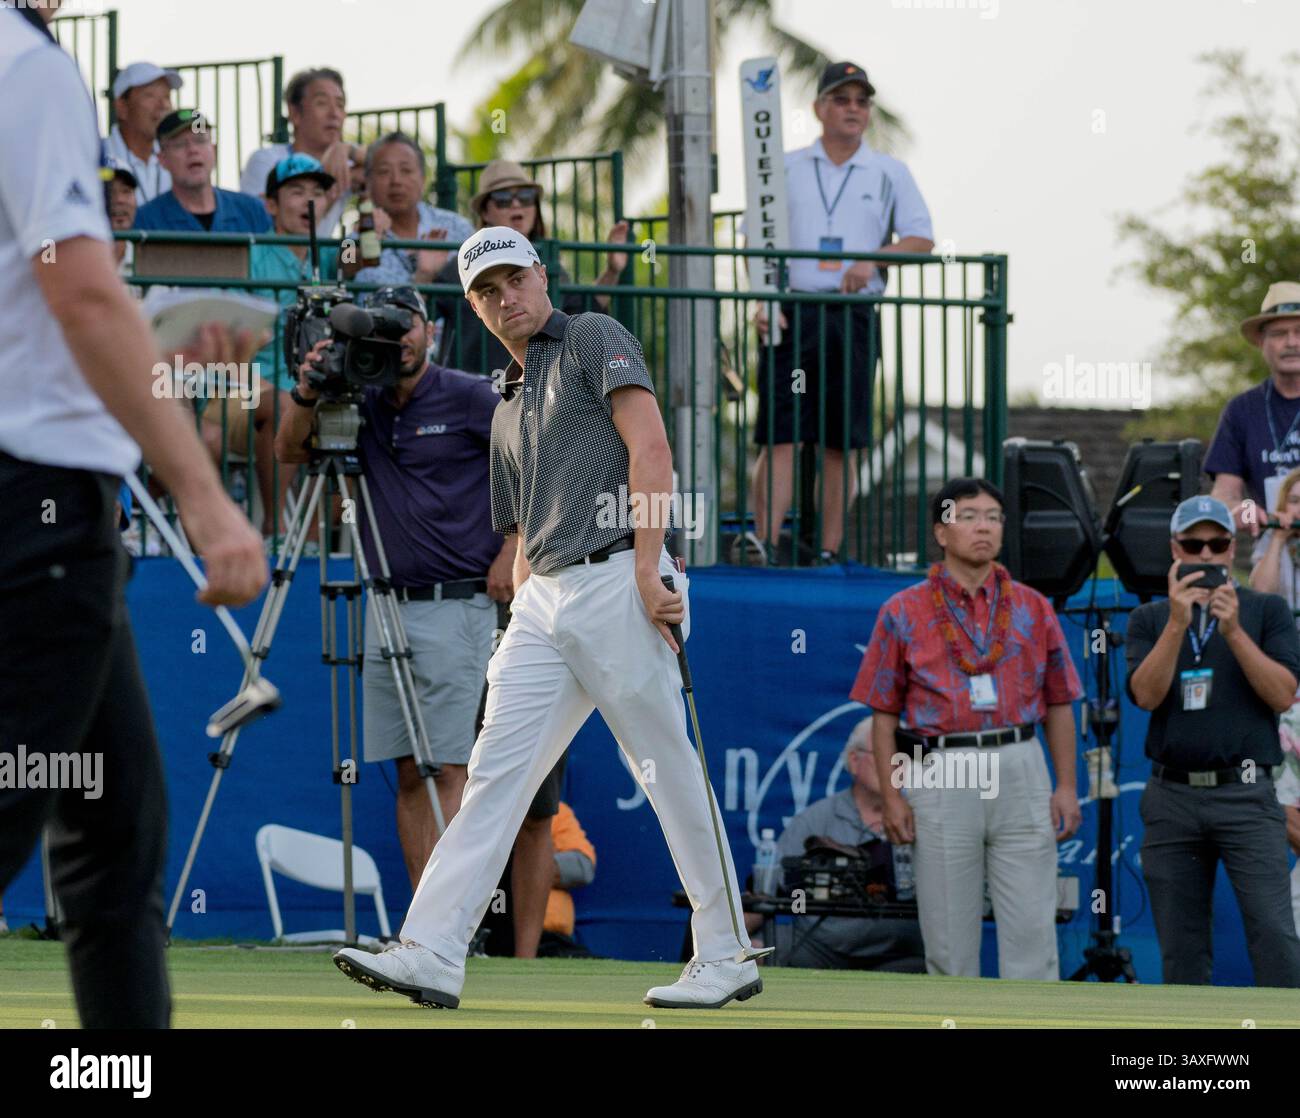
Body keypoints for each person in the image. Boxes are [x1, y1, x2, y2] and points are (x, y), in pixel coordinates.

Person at [333, 226, 762, 1010]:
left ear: (540, 274)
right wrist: (524, 609)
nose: (506, 299)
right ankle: (431, 949)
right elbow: (522, 530)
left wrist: (647, 561)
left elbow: (652, 448)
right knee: (494, 776)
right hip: (545, 601)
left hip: (618, 577)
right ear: (474, 305)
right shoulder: (503, 403)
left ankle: (727, 951)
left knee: (666, 770)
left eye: (514, 280)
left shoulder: (595, 335)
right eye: (487, 292)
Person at [0, 0, 266, 1029]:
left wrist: (155, 361)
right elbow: (79, 294)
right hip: (39, 505)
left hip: (43, 492)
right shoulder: (27, 68)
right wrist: (207, 498)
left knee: (114, 838)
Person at [275, 285, 516, 894]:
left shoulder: (467, 392)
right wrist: (309, 388)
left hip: (457, 603)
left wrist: (514, 548)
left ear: (430, 331)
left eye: (406, 324)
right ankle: (419, 925)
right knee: (411, 772)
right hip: (385, 607)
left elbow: (535, 452)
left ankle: (452, 920)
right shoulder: (363, 400)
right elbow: (288, 448)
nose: (398, 338)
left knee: (449, 768)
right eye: (383, 328)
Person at [852, 477, 1082, 979]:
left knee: (1033, 931)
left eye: (994, 518)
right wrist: (893, 796)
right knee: (949, 936)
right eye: (970, 516)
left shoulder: (1033, 606)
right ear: (941, 531)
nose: (984, 527)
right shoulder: (902, 609)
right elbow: (884, 713)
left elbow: (1061, 701)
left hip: (1020, 757)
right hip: (941, 763)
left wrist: (1066, 786)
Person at [745, 61, 934, 566]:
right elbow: (757, 237)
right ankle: (766, 542)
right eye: (841, 99)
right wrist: (762, 303)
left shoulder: (890, 171)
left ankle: (828, 550)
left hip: (851, 315)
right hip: (792, 309)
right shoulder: (783, 166)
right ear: (819, 108)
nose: (853, 109)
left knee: (840, 441)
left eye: (861, 101)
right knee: (779, 433)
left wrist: (872, 258)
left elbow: (921, 239)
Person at [1127, 495, 1300, 986]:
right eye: (1193, 544)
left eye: (1216, 543)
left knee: (1274, 934)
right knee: (1181, 948)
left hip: (1245, 794)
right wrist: (1180, 624)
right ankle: (1191, 1057)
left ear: (1231, 550)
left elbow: (1283, 694)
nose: (1204, 555)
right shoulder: (1150, 618)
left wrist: (1235, 631)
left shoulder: (1267, 611)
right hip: (1172, 796)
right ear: (1174, 549)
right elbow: (1145, 695)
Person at [747, 716, 925, 971]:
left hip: (901, 952)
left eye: (902, 757)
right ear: (854, 761)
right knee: (755, 952)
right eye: (885, 754)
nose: (896, 765)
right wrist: (728, 942)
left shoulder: (924, 818)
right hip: (819, 948)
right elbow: (775, 890)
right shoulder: (814, 821)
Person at [434, 159, 629, 375]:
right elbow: (425, 317)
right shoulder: (462, 268)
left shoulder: (549, 261)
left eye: (526, 197)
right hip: (475, 390)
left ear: (542, 275)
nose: (516, 205)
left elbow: (583, 304)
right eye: (503, 199)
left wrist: (612, 270)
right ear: (485, 212)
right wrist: (425, 272)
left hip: (538, 387)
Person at [246, 154, 341, 540]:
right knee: (286, 403)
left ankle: (312, 542)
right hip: (255, 384)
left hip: (324, 382)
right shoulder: (251, 256)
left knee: (368, 420)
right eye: (296, 192)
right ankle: (275, 528)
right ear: (270, 204)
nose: (309, 201)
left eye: (318, 192)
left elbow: (361, 262)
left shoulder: (336, 254)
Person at [1208, 282, 1300, 535]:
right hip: (1272, 549)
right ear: (1261, 341)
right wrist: (1242, 510)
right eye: (1279, 333)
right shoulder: (1241, 410)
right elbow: (1225, 493)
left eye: (1299, 331)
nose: (1292, 342)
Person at [240, 67, 363, 236]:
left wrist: (350, 151)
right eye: (322, 103)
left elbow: (386, 163)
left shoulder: (345, 163)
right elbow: (260, 224)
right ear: (294, 113)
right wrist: (327, 184)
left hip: (320, 261)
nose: (334, 113)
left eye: (340, 105)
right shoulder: (265, 161)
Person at [344, 131, 472, 288]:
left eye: (406, 170)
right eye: (384, 171)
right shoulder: (353, 238)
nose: (396, 181)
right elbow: (342, 264)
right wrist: (365, 243)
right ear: (368, 182)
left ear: (423, 179)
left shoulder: (457, 226)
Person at [134, 110, 272, 234]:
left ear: (214, 150)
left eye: (200, 140)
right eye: (180, 144)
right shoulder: (146, 220)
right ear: (162, 159)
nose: (193, 150)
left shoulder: (253, 211)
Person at [103, 61, 181, 206]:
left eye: (167, 97)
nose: (163, 105)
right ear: (122, 107)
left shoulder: (178, 158)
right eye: (150, 96)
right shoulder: (96, 156)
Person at [101, 157, 139, 280]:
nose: (119, 200)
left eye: (126, 191)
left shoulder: (146, 258)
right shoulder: (74, 255)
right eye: (109, 192)